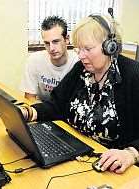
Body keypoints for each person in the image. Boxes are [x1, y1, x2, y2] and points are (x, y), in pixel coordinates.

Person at [19, 14, 139, 173]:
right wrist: (29, 112)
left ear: (110, 46)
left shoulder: (133, 75)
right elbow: (57, 105)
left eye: (87, 49)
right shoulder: (81, 70)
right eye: (78, 49)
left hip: (110, 169)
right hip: (76, 154)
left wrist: (131, 154)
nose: (81, 56)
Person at [20, 15, 78, 102]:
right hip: (43, 110)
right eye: (47, 43)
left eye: (55, 42)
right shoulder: (34, 60)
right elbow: (29, 98)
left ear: (66, 39)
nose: (51, 48)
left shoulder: (78, 62)